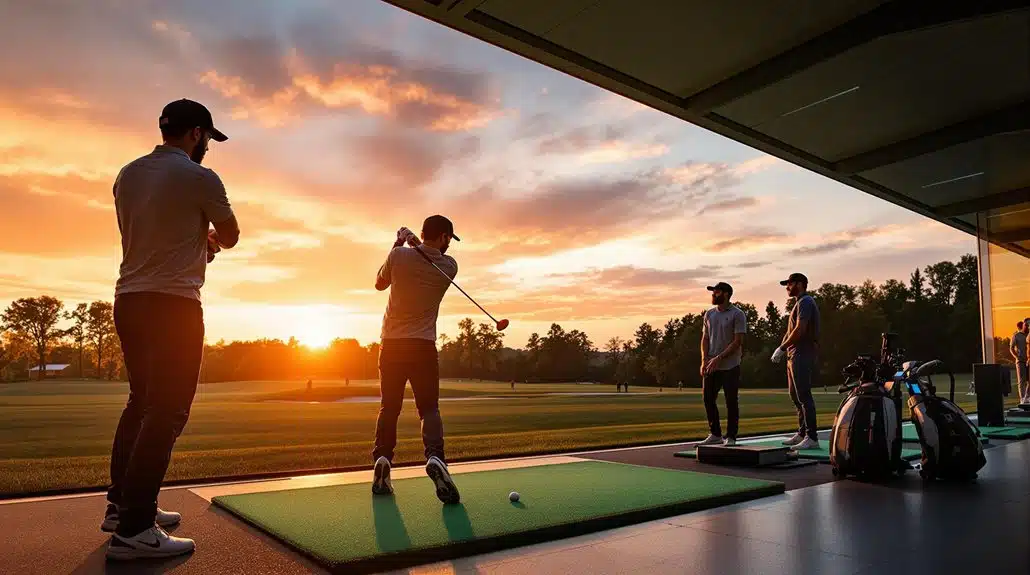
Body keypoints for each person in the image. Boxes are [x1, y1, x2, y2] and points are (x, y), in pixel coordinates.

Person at [104, 99, 239, 560]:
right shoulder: (200, 177)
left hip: (129, 300)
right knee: (167, 412)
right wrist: (207, 241)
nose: (207, 148)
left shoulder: (127, 173)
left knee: (141, 402)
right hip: (174, 305)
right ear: (197, 134)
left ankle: (121, 506)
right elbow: (232, 234)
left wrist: (195, 238)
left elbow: (155, 227)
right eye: (207, 139)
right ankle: (135, 528)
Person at [371, 215, 461, 504]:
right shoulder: (449, 267)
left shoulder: (398, 256)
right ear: (444, 236)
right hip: (422, 346)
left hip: (392, 345)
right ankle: (435, 458)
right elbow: (429, 257)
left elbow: (379, 284)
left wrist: (399, 243)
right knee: (428, 408)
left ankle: (382, 459)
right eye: (449, 238)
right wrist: (412, 243)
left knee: (390, 408)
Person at [772, 272, 821, 451]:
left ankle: (811, 436)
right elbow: (791, 331)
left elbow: (800, 330)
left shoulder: (806, 302)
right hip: (794, 353)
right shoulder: (798, 304)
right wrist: (782, 347)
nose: (787, 287)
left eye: (790, 284)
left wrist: (782, 348)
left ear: (800, 284)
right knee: (795, 396)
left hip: (802, 352)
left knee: (803, 396)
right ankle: (802, 433)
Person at [698, 282, 747, 446]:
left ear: (725, 294)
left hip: (730, 365)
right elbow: (705, 339)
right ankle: (715, 433)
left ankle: (731, 437)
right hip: (711, 364)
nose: (713, 294)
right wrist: (704, 360)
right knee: (707, 398)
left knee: (731, 401)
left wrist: (719, 358)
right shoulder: (709, 314)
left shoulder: (737, 314)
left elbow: (737, 342)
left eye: (716, 292)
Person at [1011, 320, 1029, 404]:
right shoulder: (1016, 336)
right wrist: (1017, 357)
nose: (1028, 327)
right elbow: (1011, 348)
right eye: (1026, 325)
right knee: (1022, 381)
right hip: (1021, 361)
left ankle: (1027, 397)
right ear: (1023, 326)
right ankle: (1022, 399)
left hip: (1028, 361)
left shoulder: (1028, 335)